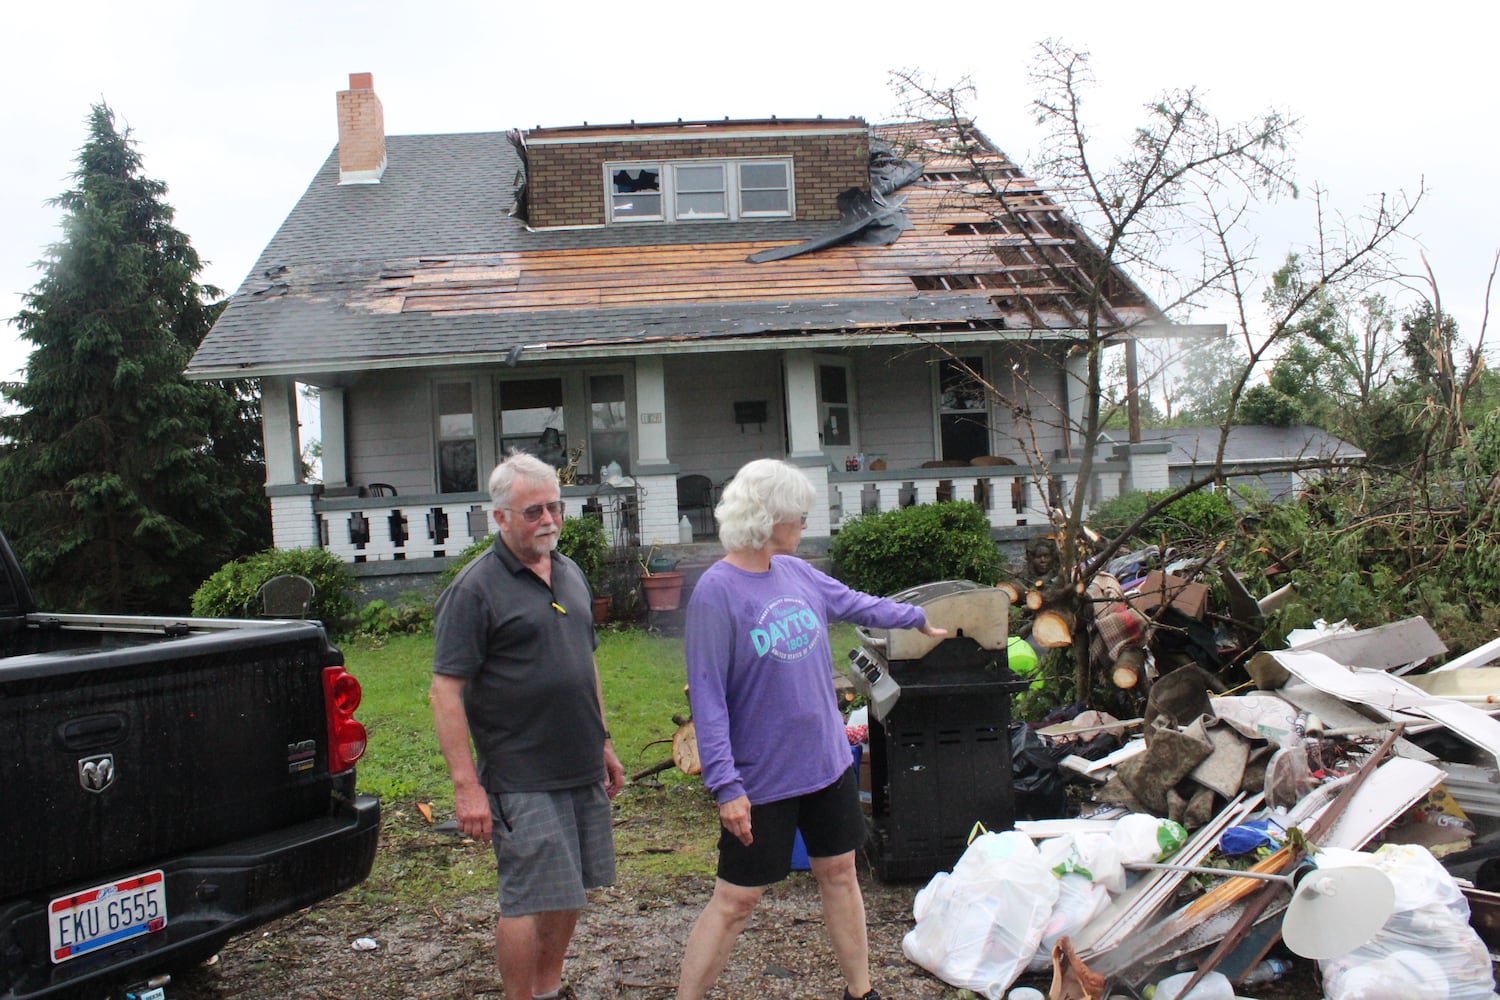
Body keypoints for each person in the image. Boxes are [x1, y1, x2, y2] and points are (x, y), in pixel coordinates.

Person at [676, 459, 947, 1000]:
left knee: (841, 874)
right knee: (736, 900)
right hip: (762, 778)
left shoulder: (795, 572)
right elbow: (706, 697)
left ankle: (860, 991)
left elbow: (853, 603)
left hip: (823, 764)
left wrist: (914, 618)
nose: (804, 522)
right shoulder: (716, 592)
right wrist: (727, 787)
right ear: (768, 515)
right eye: (798, 514)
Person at [431, 452, 625, 1000]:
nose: (549, 520)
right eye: (534, 510)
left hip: (578, 763)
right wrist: (467, 787)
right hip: (520, 773)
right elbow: (445, 691)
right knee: (527, 899)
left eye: (555, 508)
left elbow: (584, 662)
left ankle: (548, 990)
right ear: (500, 518)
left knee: (571, 892)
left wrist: (603, 740)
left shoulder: (568, 571)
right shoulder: (475, 589)